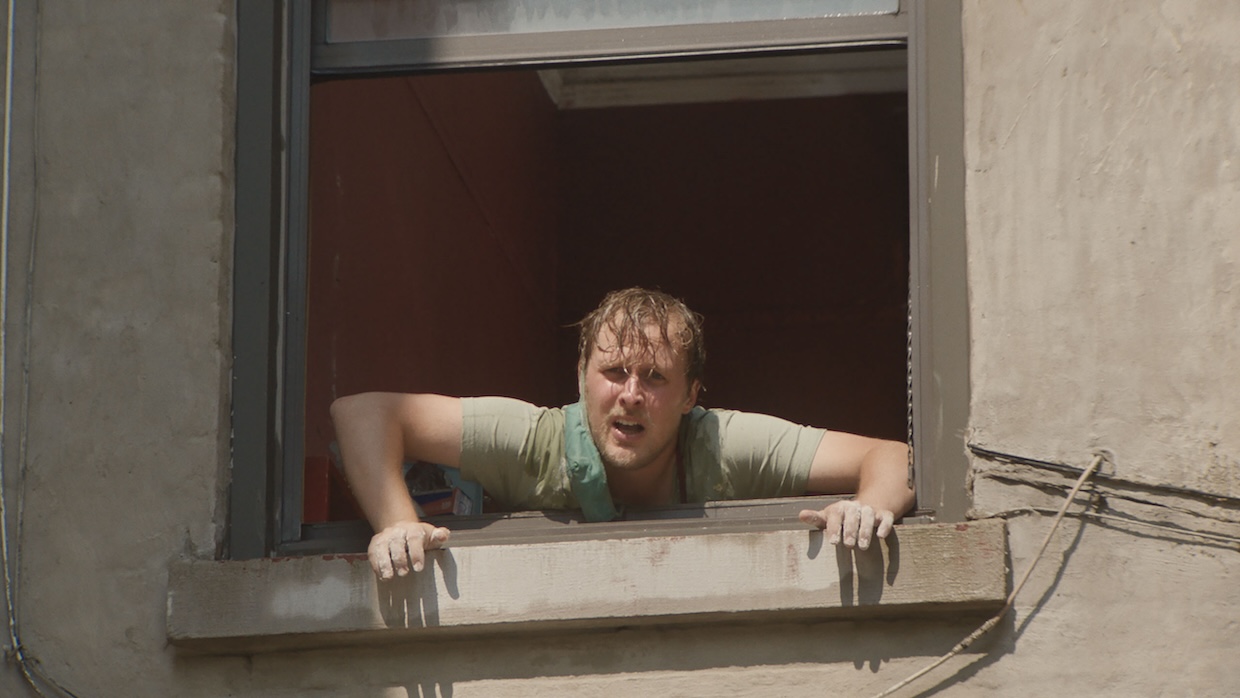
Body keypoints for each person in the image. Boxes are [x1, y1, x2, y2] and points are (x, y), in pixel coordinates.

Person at [332, 287, 916, 580]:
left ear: (691, 397)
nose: (631, 394)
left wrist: (866, 508)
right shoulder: (539, 439)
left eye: (656, 378)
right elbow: (364, 414)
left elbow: (895, 458)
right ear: (582, 380)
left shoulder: (719, 441)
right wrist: (398, 523)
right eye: (613, 372)